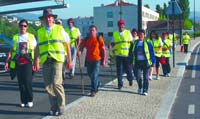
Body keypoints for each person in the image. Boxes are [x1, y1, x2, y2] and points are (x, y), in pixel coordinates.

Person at [34, 8, 72, 116]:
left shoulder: (60, 29)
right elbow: (37, 48)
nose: (48, 19)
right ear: (43, 19)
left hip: (57, 60)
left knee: (56, 83)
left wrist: (69, 60)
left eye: (50, 17)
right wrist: (36, 61)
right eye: (46, 17)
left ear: (53, 18)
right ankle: (53, 107)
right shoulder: (40, 32)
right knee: (48, 86)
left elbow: (67, 45)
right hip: (46, 60)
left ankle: (61, 106)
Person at [4, 19, 37, 108]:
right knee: (21, 83)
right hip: (18, 62)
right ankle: (23, 100)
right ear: (19, 27)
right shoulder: (15, 37)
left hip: (28, 62)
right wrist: (7, 62)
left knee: (27, 81)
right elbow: (11, 51)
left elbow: (36, 49)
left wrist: (37, 62)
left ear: (27, 27)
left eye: (25, 26)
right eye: (21, 25)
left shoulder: (31, 36)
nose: (23, 27)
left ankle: (30, 99)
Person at [77, 25, 106, 97]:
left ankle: (93, 90)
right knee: (90, 74)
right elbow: (81, 47)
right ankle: (97, 83)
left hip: (97, 59)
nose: (91, 32)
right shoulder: (86, 39)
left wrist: (104, 60)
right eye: (90, 30)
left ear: (96, 31)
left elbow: (103, 49)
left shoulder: (99, 38)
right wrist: (80, 52)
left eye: (93, 30)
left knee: (94, 75)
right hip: (89, 59)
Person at [131, 29, 156, 96]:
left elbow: (152, 53)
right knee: (138, 76)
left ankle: (145, 90)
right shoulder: (135, 43)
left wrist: (153, 62)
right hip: (137, 62)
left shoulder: (148, 43)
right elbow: (131, 53)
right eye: (139, 34)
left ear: (144, 35)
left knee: (146, 77)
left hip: (146, 62)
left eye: (142, 34)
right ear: (137, 35)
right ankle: (140, 87)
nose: (140, 36)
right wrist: (131, 61)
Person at [111, 19, 133, 90]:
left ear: (124, 25)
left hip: (126, 55)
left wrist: (131, 52)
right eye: (120, 25)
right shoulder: (115, 33)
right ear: (118, 26)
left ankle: (130, 79)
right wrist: (110, 47)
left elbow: (131, 43)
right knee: (119, 70)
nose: (121, 26)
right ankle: (120, 84)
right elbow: (112, 43)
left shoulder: (128, 32)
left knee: (128, 70)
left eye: (122, 25)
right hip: (119, 55)